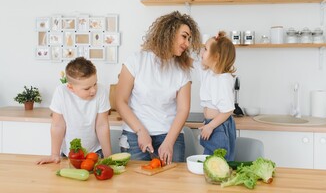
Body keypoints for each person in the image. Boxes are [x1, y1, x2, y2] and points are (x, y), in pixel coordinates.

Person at [116, 11, 201, 165]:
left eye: (189, 39)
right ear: (169, 33)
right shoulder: (136, 61)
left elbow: (183, 110)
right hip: (135, 135)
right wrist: (141, 132)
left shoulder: (182, 70)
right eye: (184, 36)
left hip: (170, 135)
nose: (187, 43)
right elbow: (120, 101)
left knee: (171, 186)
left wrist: (169, 143)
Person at [37, 57, 112, 164]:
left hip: (95, 152)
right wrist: (54, 154)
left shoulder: (101, 91)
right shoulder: (61, 92)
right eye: (87, 88)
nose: (93, 90)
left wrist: (108, 156)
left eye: (95, 83)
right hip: (68, 154)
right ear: (70, 87)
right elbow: (58, 125)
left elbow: (102, 125)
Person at [193, 31, 237, 161]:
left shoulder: (223, 79)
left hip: (219, 126)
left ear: (216, 57)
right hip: (211, 124)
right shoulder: (208, 72)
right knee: (210, 160)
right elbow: (190, 63)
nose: (201, 52)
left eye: (205, 49)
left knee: (218, 161)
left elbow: (228, 110)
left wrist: (211, 126)